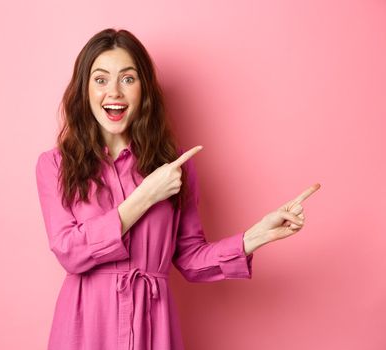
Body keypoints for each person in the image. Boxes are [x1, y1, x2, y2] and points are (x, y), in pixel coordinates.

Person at [35, 27, 320, 350]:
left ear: (144, 89)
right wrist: (145, 197)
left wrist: (257, 235)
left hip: (153, 327)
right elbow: (69, 252)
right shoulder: (56, 165)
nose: (113, 91)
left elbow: (192, 259)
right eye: (100, 80)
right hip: (85, 328)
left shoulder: (174, 168)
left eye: (128, 79)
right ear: (84, 90)